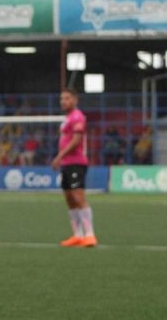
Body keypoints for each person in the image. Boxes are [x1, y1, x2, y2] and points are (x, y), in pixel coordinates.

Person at [51, 88, 97, 247]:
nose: (63, 101)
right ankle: (77, 235)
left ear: (75, 100)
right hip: (66, 164)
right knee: (69, 199)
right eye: (62, 99)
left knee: (79, 198)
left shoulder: (78, 117)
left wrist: (59, 156)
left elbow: (76, 140)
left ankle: (90, 235)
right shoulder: (68, 118)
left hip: (76, 163)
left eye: (67, 98)